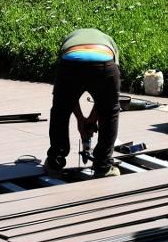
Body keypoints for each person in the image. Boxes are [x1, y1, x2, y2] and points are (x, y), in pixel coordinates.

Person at [45, 28, 121, 178]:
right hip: (104, 63)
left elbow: (68, 97)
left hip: (70, 63)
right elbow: (105, 100)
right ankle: (103, 166)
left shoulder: (68, 40)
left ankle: (55, 161)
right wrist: (89, 119)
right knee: (110, 111)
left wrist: (83, 119)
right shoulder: (109, 41)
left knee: (60, 110)